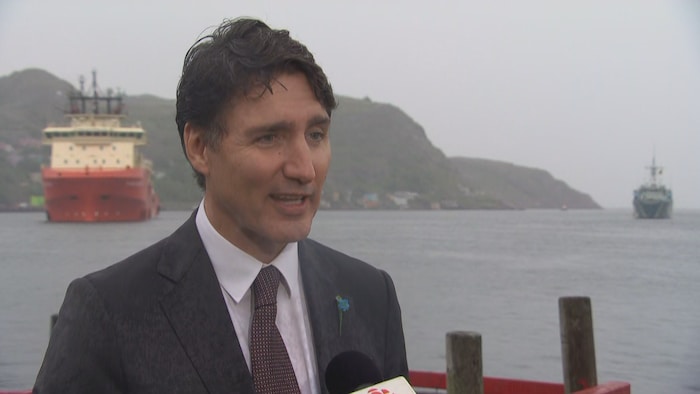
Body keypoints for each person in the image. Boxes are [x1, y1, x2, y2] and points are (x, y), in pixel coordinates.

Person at [34, 17, 408, 394]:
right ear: (199, 147)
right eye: (269, 137)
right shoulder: (108, 314)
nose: (304, 168)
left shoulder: (370, 295)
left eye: (316, 134)